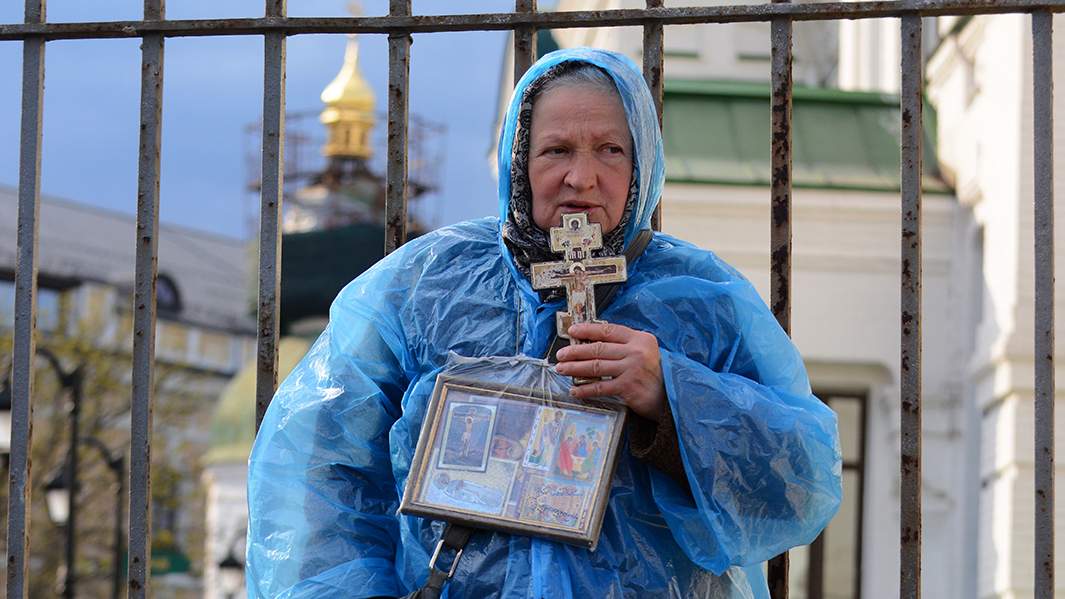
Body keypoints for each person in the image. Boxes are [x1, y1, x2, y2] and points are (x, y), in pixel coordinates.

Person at [246, 47, 842, 599]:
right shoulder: (424, 285)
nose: (581, 178)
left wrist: (671, 396)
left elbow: (799, 486)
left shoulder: (704, 301)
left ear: (641, 166)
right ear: (517, 161)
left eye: (610, 150)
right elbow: (320, 474)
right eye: (557, 149)